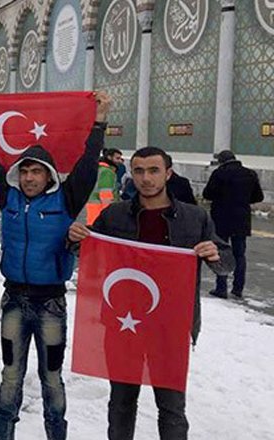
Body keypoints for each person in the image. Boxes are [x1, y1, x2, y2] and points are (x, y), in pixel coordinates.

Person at [0, 91, 111, 440]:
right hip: (14, 300)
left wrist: (100, 120)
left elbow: (88, 164)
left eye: (37, 172)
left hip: (50, 304)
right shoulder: (8, 196)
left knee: (51, 377)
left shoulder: (67, 197)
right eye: (25, 171)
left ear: (49, 177)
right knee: (11, 375)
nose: (30, 178)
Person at [68, 146, 234, 440]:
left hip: (171, 326)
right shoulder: (114, 215)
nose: (146, 178)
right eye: (139, 171)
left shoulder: (195, 218)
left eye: (154, 170)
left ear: (168, 174)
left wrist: (215, 254)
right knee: (121, 403)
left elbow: (226, 264)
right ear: (131, 175)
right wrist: (76, 238)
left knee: (171, 408)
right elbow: (87, 249)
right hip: (123, 325)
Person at [202, 150, 264, 299]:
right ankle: (238, 288)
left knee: (221, 253)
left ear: (222, 161)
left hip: (221, 218)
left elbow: (207, 194)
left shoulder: (219, 173)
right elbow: (258, 196)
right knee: (239, 254)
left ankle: (221, 288)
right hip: (241, 219)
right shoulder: (249, 174)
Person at [86, 148, 122, 225]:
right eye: (117, 158)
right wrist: (109, 212)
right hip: (101, 208)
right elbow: (105, 193)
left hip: (93, 206)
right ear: (109, 157)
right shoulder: (107, 172)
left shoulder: (99, 169)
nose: (120, 161)